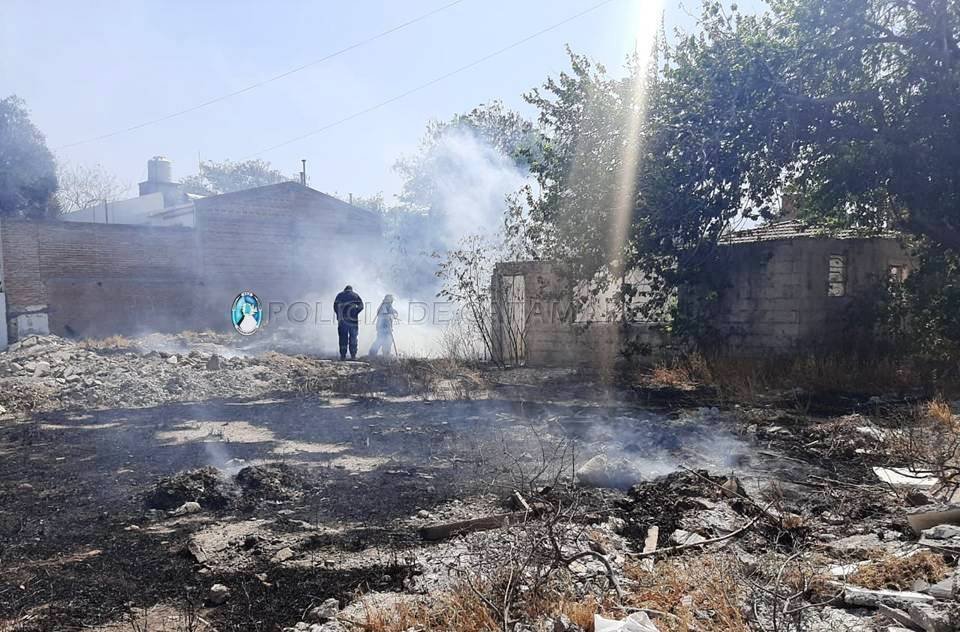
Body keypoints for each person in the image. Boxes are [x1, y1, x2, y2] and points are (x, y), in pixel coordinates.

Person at [333, 285, 363, 360]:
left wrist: (339, 314)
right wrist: (355, 312)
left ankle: (343, 355)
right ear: (351, 290)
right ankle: (353, 355)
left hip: (342, 321)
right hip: (353, 321)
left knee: (343, 337)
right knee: (353, 337)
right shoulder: (355, 295)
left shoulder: (339, 295)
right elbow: (361, 306)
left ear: (345, 289)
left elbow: (335, 306)